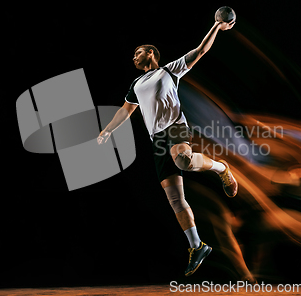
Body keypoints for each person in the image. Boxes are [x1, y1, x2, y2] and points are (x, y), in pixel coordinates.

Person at [97, 18, 237, 276]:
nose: (134, 58)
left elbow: (201, 50)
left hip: (175, 127)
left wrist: (217, 26)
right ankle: (197, 246)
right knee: (175, 198)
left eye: (137, 52)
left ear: (151, 53)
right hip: (157, 139)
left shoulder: (170, 70)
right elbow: (125, 111)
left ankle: (220, 168)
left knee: (182, 160)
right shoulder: (135, 85)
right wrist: (107, 130)